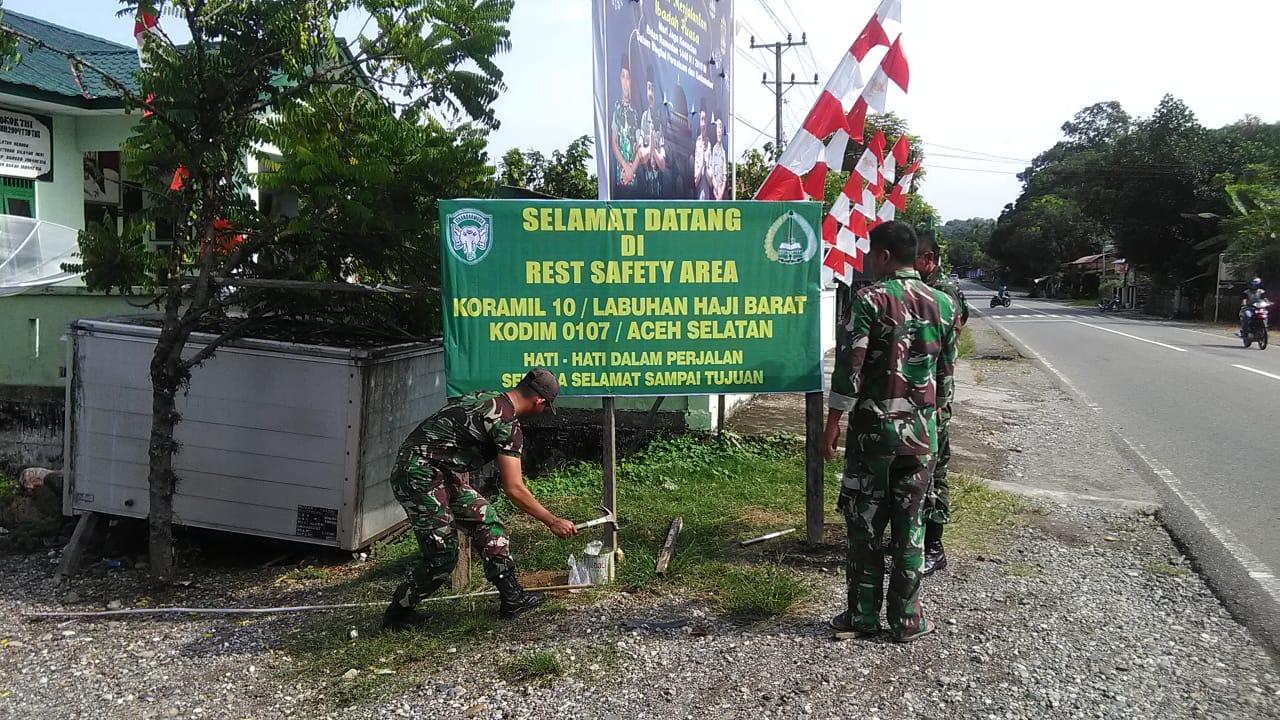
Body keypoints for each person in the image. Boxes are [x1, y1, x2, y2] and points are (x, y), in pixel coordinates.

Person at [823, 221, 958, 643]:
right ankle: (907, 621)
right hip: (923, 436)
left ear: (883, 255)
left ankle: (862, 617)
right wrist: (933, 426)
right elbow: (946, 379)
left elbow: (850, 368)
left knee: (865, 523)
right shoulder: (945, 305)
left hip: (873, 436)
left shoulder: (868, 300)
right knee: (911, 524)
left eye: (870, 253)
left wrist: (832, 423)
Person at [382, 369, 578, 630]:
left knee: (486, 519)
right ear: (539, 402)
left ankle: (512, 598)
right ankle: (397, 614)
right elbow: (514, 488)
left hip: (438, 471)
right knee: (442, 554)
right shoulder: (507, 424)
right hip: (418, 473)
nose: (542, 412)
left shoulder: (487, 398)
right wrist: (552, 521)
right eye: (546, 407)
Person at [913, 231, 969, 577]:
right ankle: (912, 539)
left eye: (913, 258)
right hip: (909, 400)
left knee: (934, 474)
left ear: (929, 259)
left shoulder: (944, 294)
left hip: (933, 401)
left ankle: (934, 545)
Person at [610, 53, 640, 199]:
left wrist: (631, 170)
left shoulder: (637, 111)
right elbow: (614, 142)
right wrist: (625, 166)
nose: (625, 82)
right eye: (623, 76)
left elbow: (640, 146)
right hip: (619, 176)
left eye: (628, 78)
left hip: (636, 177)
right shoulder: (615, 108)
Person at [637, 65, 667, 198]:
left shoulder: (661, 121)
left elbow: (663, 164)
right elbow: (641, 156)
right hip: (644, 188)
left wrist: (653, 150)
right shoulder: (644, 117)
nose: (650, 94)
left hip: (659, 191)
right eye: (648, 89)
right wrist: (652, 147)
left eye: (653, 89)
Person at [693, 104, 712, 200]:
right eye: (701, 120)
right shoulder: (696, 143)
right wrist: (701, 166)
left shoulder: (709, 143)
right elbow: (695, 180)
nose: (703, 123)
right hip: (698, 197)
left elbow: (711, 182)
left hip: (708, 197)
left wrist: (705, 164)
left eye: (705, 120)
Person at [709, 115, 728, 200]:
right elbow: (712, 171)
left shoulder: (723, 151)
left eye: (720, 128)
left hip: (721, 188)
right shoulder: (713, 149)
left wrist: (721, 191)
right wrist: (716, 187)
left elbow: (724, 175)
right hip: (715, 187)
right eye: (717, 128)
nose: (719, 131)